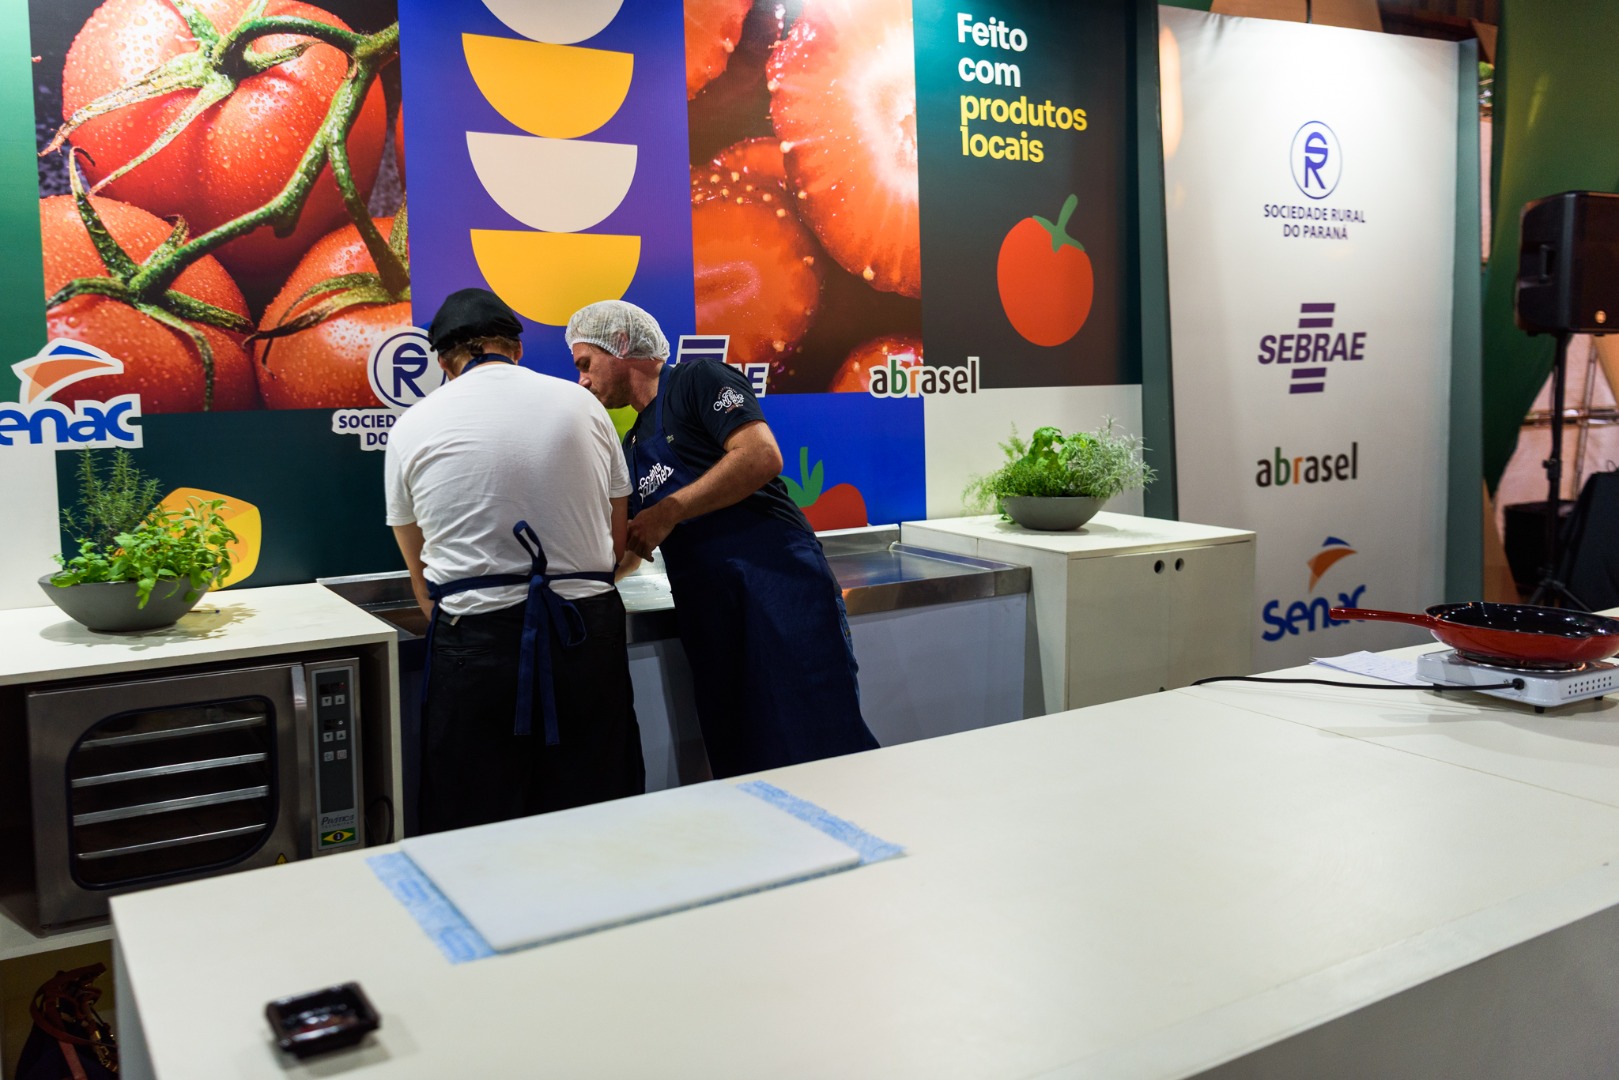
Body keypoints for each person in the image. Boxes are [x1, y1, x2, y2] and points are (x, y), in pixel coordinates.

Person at [565, 299, 878, 778]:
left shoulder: (699, 379)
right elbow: (633, 543)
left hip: (779, 587)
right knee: (741, 754)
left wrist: (669, 510)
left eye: (586, 364)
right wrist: (580, 586)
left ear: (621, 344)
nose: (582, 381)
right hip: (710, 614)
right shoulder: (633, 446)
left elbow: (760, 455)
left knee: (821, 737)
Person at [385, 288, 644, 833]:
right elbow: (616, 538)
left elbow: (420, 577)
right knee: (599, 812)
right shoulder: (584, 406)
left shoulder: (411, 425)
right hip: (584, 632)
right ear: (517, 349)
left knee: (476, 822)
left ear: (443, 363)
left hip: (474, 643)